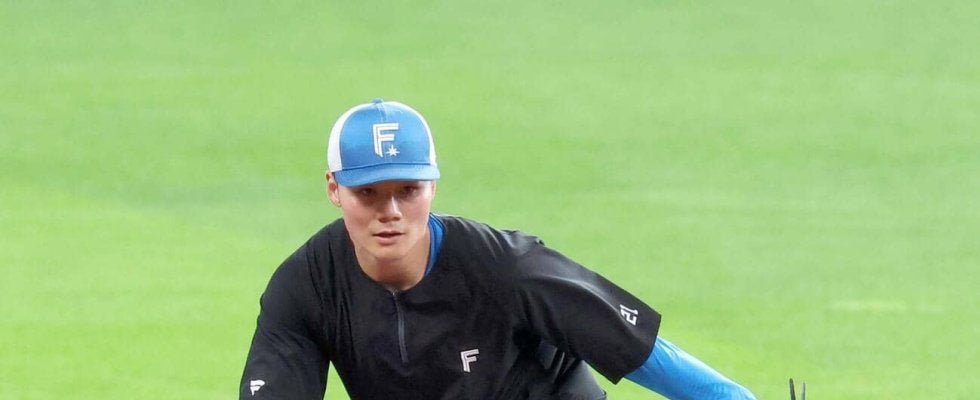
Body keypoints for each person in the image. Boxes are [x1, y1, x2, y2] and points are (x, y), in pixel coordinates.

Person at [240, 98, 757, 399]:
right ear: (334, 189)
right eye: (368, 193)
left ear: (432, 187)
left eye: (407, 190)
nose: (390, 211)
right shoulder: (307, 286)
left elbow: (640, 352)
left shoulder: (506, 269)